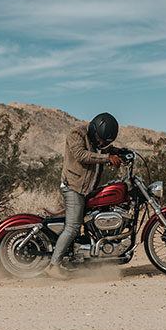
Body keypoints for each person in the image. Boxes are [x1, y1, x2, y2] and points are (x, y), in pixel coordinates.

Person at [46, 112, 123, 279]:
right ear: (94, 129)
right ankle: (53, 266)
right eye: (100, 139)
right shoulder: (76, 134)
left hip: (87, 188)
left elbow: (101, 147)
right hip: (74, 187)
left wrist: (118, 151)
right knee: (73, 227)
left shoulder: (99, 140)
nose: (101, 143)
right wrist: (108, 158)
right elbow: (81, 155)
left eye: (105, 142)